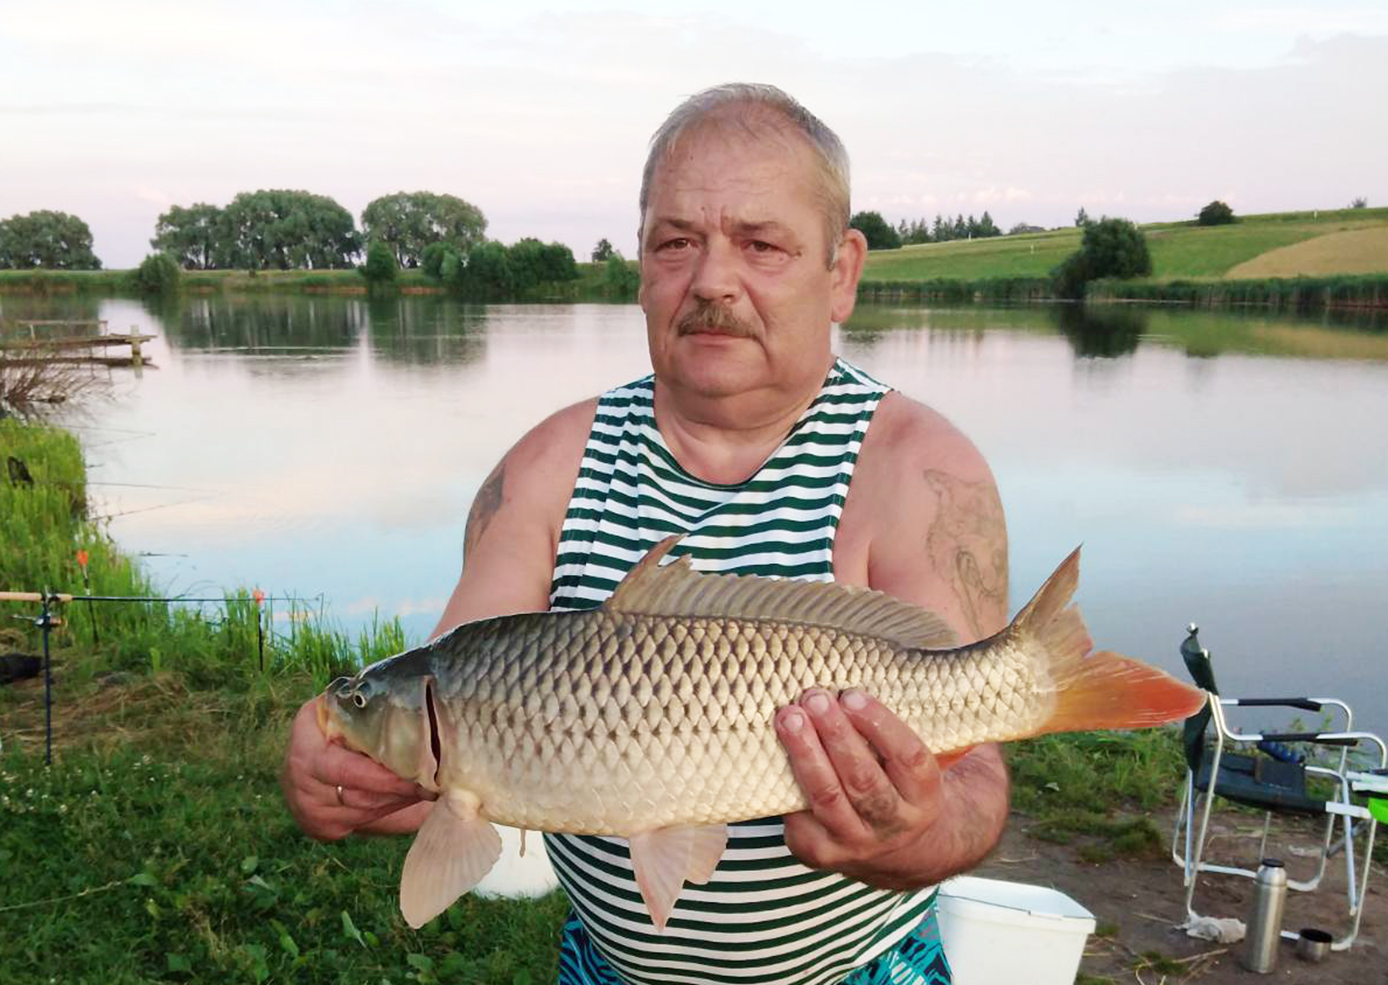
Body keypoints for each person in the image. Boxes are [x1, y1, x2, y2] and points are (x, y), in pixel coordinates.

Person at [281, 83, 1011, 985]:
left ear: (842, 272)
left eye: (761, 244)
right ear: (640, 266)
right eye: (677, 242)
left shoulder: (920, 471)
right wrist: (339, 777)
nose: (711, 279)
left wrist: (915, 832)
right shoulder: (546, 468)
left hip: (863, 970)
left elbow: (979, 784)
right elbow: (448, 754)